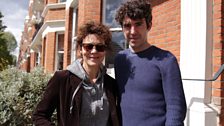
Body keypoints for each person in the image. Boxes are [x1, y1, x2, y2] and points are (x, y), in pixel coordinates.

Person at [114, 0, 187, 126]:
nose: (133, 31)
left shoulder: (166, 60)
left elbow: (176, 108)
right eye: (127, 25)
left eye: (138, 24)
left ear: (149, 25)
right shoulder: (120, 59)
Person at [33, 21, 120, 126]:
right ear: (81, 49)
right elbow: (39, 115)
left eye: (100, 47)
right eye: (89, 46)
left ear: (105, 50)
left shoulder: (111, 84)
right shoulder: (62, 79)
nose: (94, 51)